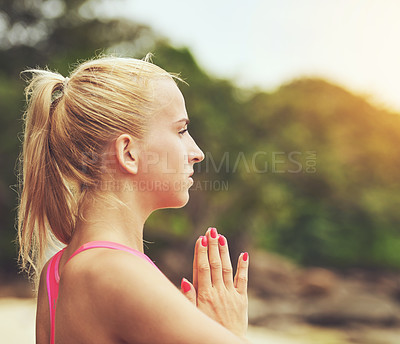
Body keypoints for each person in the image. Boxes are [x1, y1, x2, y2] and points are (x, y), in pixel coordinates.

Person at [17, 55, 250, 343]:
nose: (197, 152)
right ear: (129, 153)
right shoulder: (113, 271)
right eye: (181, 131)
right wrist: (233, 331)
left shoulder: (55, 273)